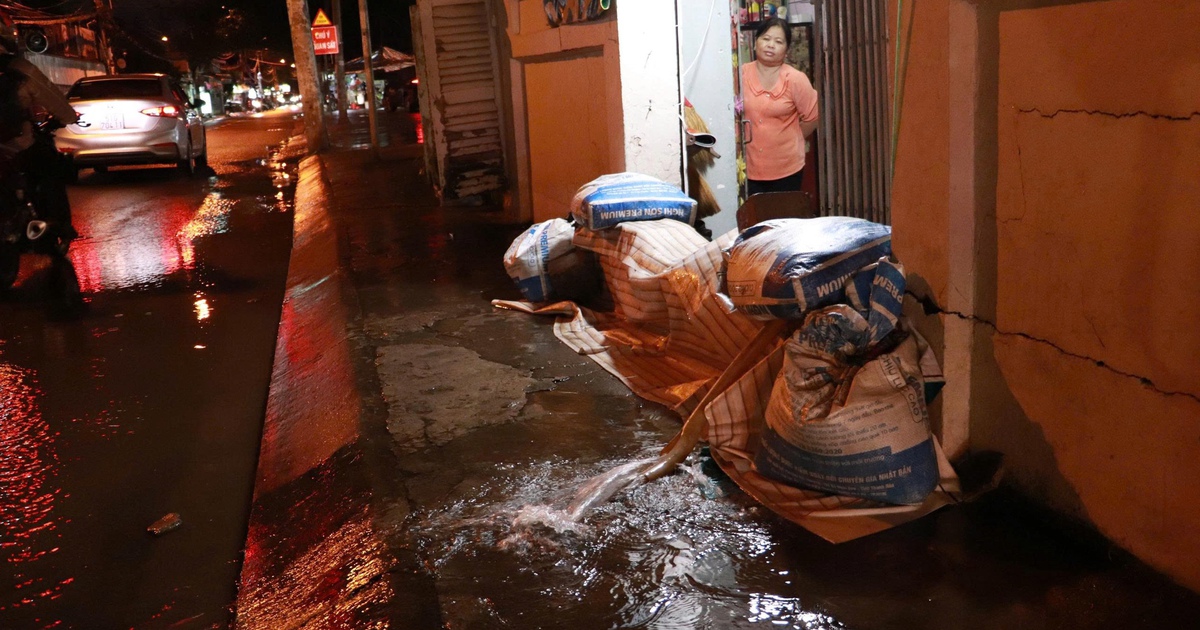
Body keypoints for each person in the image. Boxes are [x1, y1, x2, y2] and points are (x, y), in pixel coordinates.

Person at [0, 19, 79, 238]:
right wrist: (68, 116)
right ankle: (59, 225)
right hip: (16, 144)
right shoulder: (20, 69)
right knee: (50, 170)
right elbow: (54, 99)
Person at [740, 17, 819, 197]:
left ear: (786, 50)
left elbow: (813, 116)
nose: (770, 45)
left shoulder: (795, 79)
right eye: (766, 39)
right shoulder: (740, 74)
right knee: (754, 221)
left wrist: (792, 137)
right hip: (749, 168)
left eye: (778, 41)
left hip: (787, 167)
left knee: (783, 221)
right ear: (755, 42)